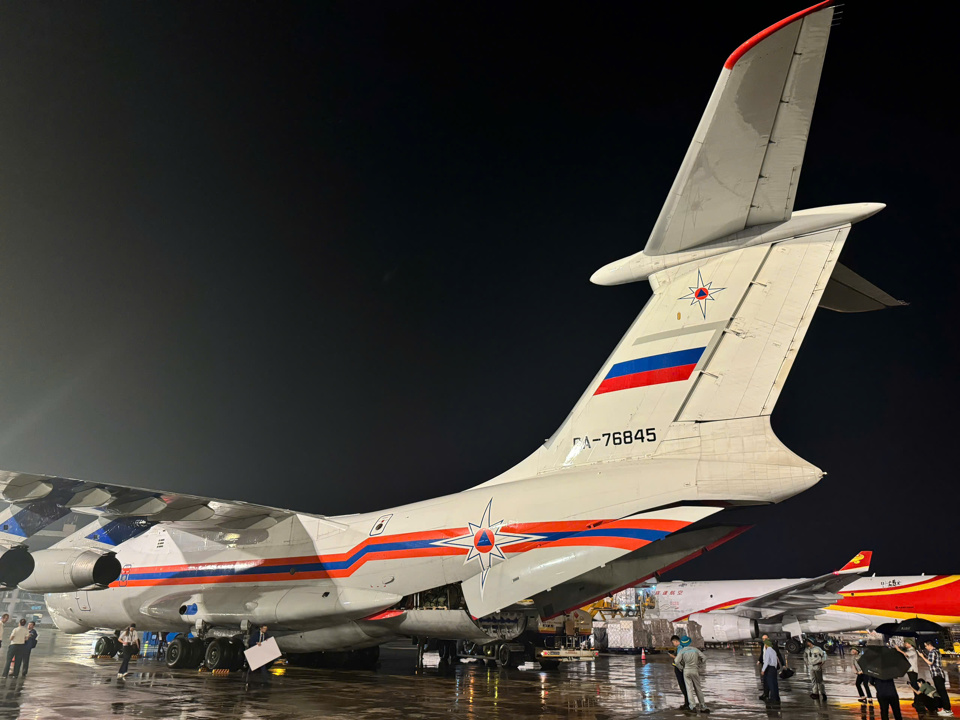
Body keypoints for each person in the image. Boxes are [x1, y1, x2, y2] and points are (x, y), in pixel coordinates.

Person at [675, 635, 710, 714]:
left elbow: (676, 661)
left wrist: (681, 667)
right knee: (698, 689)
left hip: (686, 670)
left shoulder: (682, 651)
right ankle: (703, 706)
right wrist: (700, 665)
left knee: (689, 689)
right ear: (689, 642)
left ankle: (692, 706)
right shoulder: (695, 650)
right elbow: (704, 657)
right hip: (695, 670)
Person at [919, 640, 953, 717]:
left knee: (942, 693)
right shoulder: (936, 651)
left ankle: (948, 710)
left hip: (937, 675)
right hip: (940, 674)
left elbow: (930, 662)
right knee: (942, 692)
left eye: (926, 646)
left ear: (929, 645)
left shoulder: (932, 652)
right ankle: (946, 708)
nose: (925, 647)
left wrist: (922, 656)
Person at [668, 635, 690, 709]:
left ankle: (687, 704)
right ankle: (688, 703)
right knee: (686, 686)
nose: (673, 644)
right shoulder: (685, 646)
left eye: (673, 642)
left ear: (676, 641)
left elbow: (679, 658)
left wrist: (672, 656)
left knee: (683, 686)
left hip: (680, 669)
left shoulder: (680, 647)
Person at [760, 639, 781, 705]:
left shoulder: (768, 651)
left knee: (771, 684)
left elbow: (766, 662)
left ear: (766, 645)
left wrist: (763, 670)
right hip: (774, 669)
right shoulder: (773, 651)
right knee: (775, 684)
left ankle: (773, 699)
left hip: (769, 669)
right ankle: (777, 698)